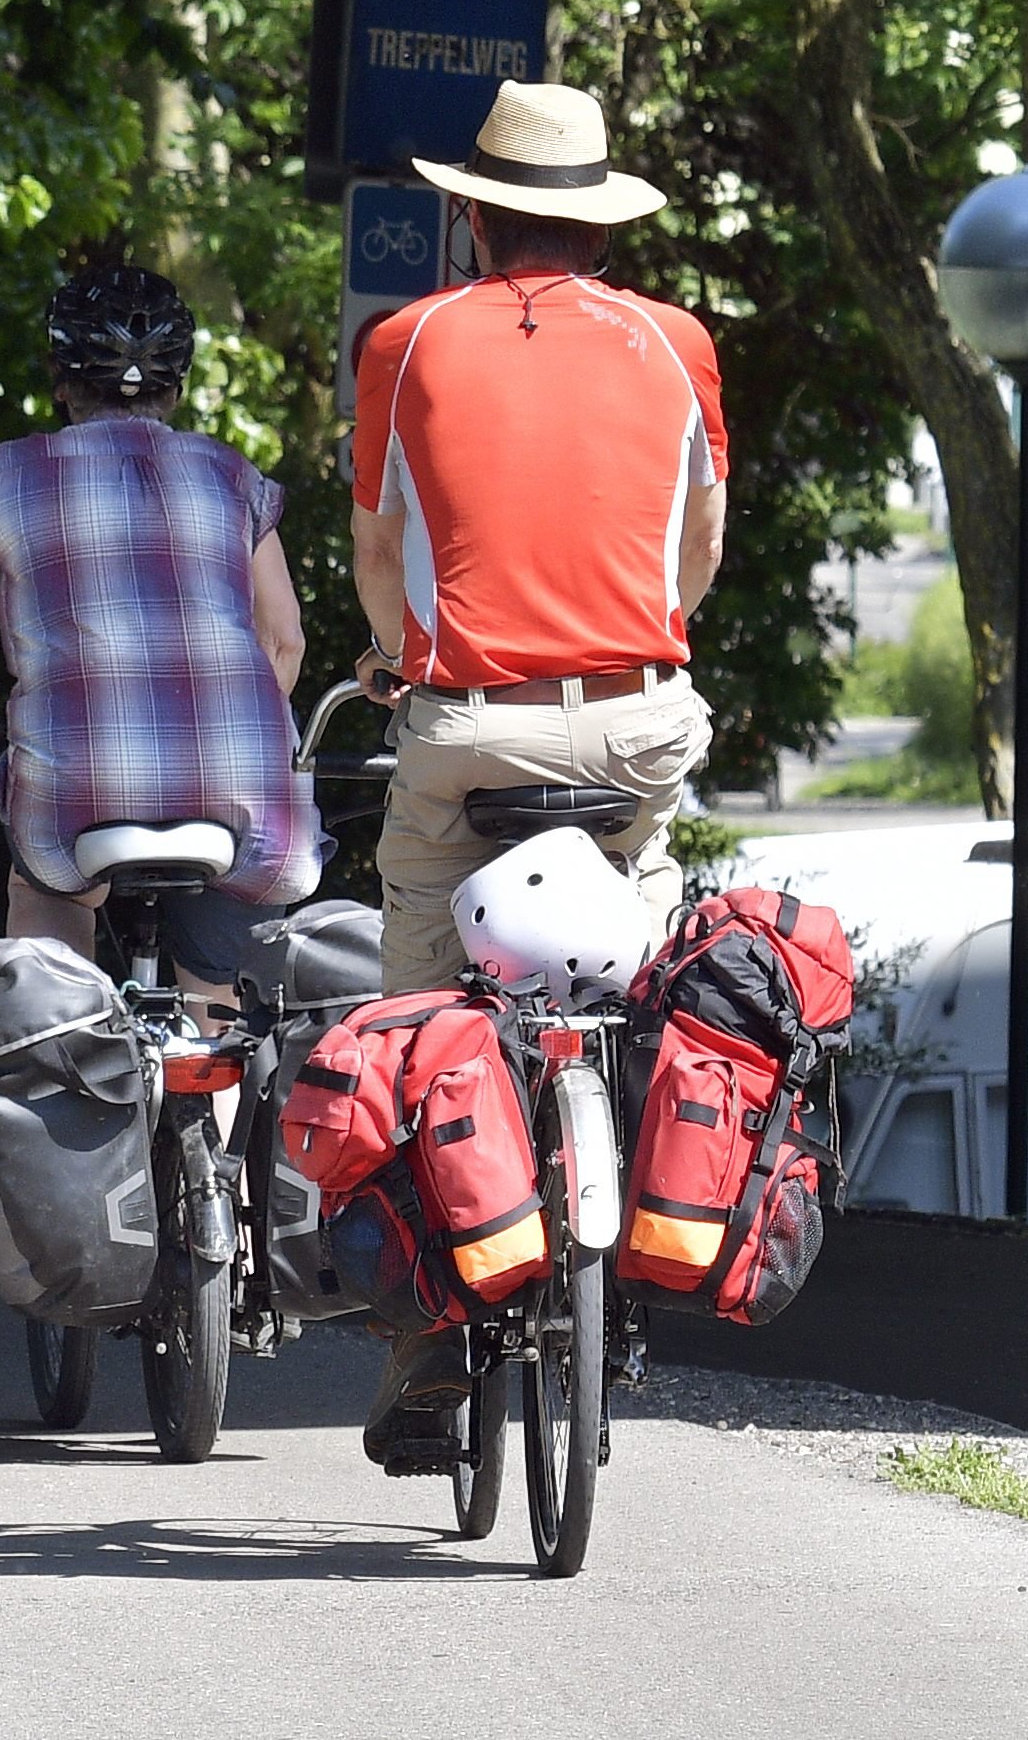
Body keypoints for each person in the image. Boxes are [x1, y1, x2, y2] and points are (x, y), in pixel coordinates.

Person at [348, 80, 728, 1464]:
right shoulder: (675, 340)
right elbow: (698, 544)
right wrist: (644, 645)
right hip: (635, 724)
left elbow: (382, 550)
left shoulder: (407, 337)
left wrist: (397, 657)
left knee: (414, 1004)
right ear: (598, 223)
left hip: (472, 728)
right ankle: (625, 1210)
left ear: (472, 214)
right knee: (642, 960)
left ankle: (429, 1329)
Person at [0, 265, 325, 1010]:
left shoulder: (1, 477)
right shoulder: (231, 476)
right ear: (178, 381)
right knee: (223, 1001)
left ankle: (62, 1035)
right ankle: (217, 1082)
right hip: (242, 792)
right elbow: (284, 640)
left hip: (77, 796)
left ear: (58, 376)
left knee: (48, 889)